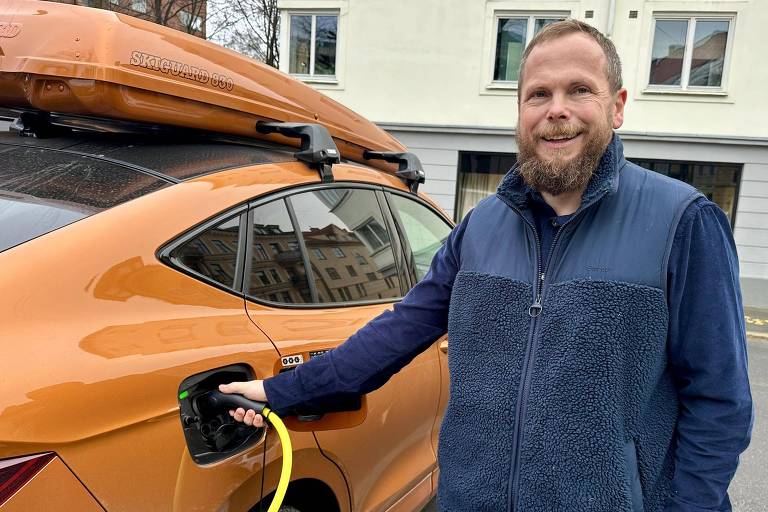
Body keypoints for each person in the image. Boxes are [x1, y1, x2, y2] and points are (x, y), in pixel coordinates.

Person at [220, 20, 753, 512]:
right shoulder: (481, 227)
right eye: (538, 94)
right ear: (520, 111)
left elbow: (719, 404)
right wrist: (281, 392)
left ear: (617, 106)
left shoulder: (682, 222)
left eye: (579, 90)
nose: (556, 109)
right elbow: (396, 333)